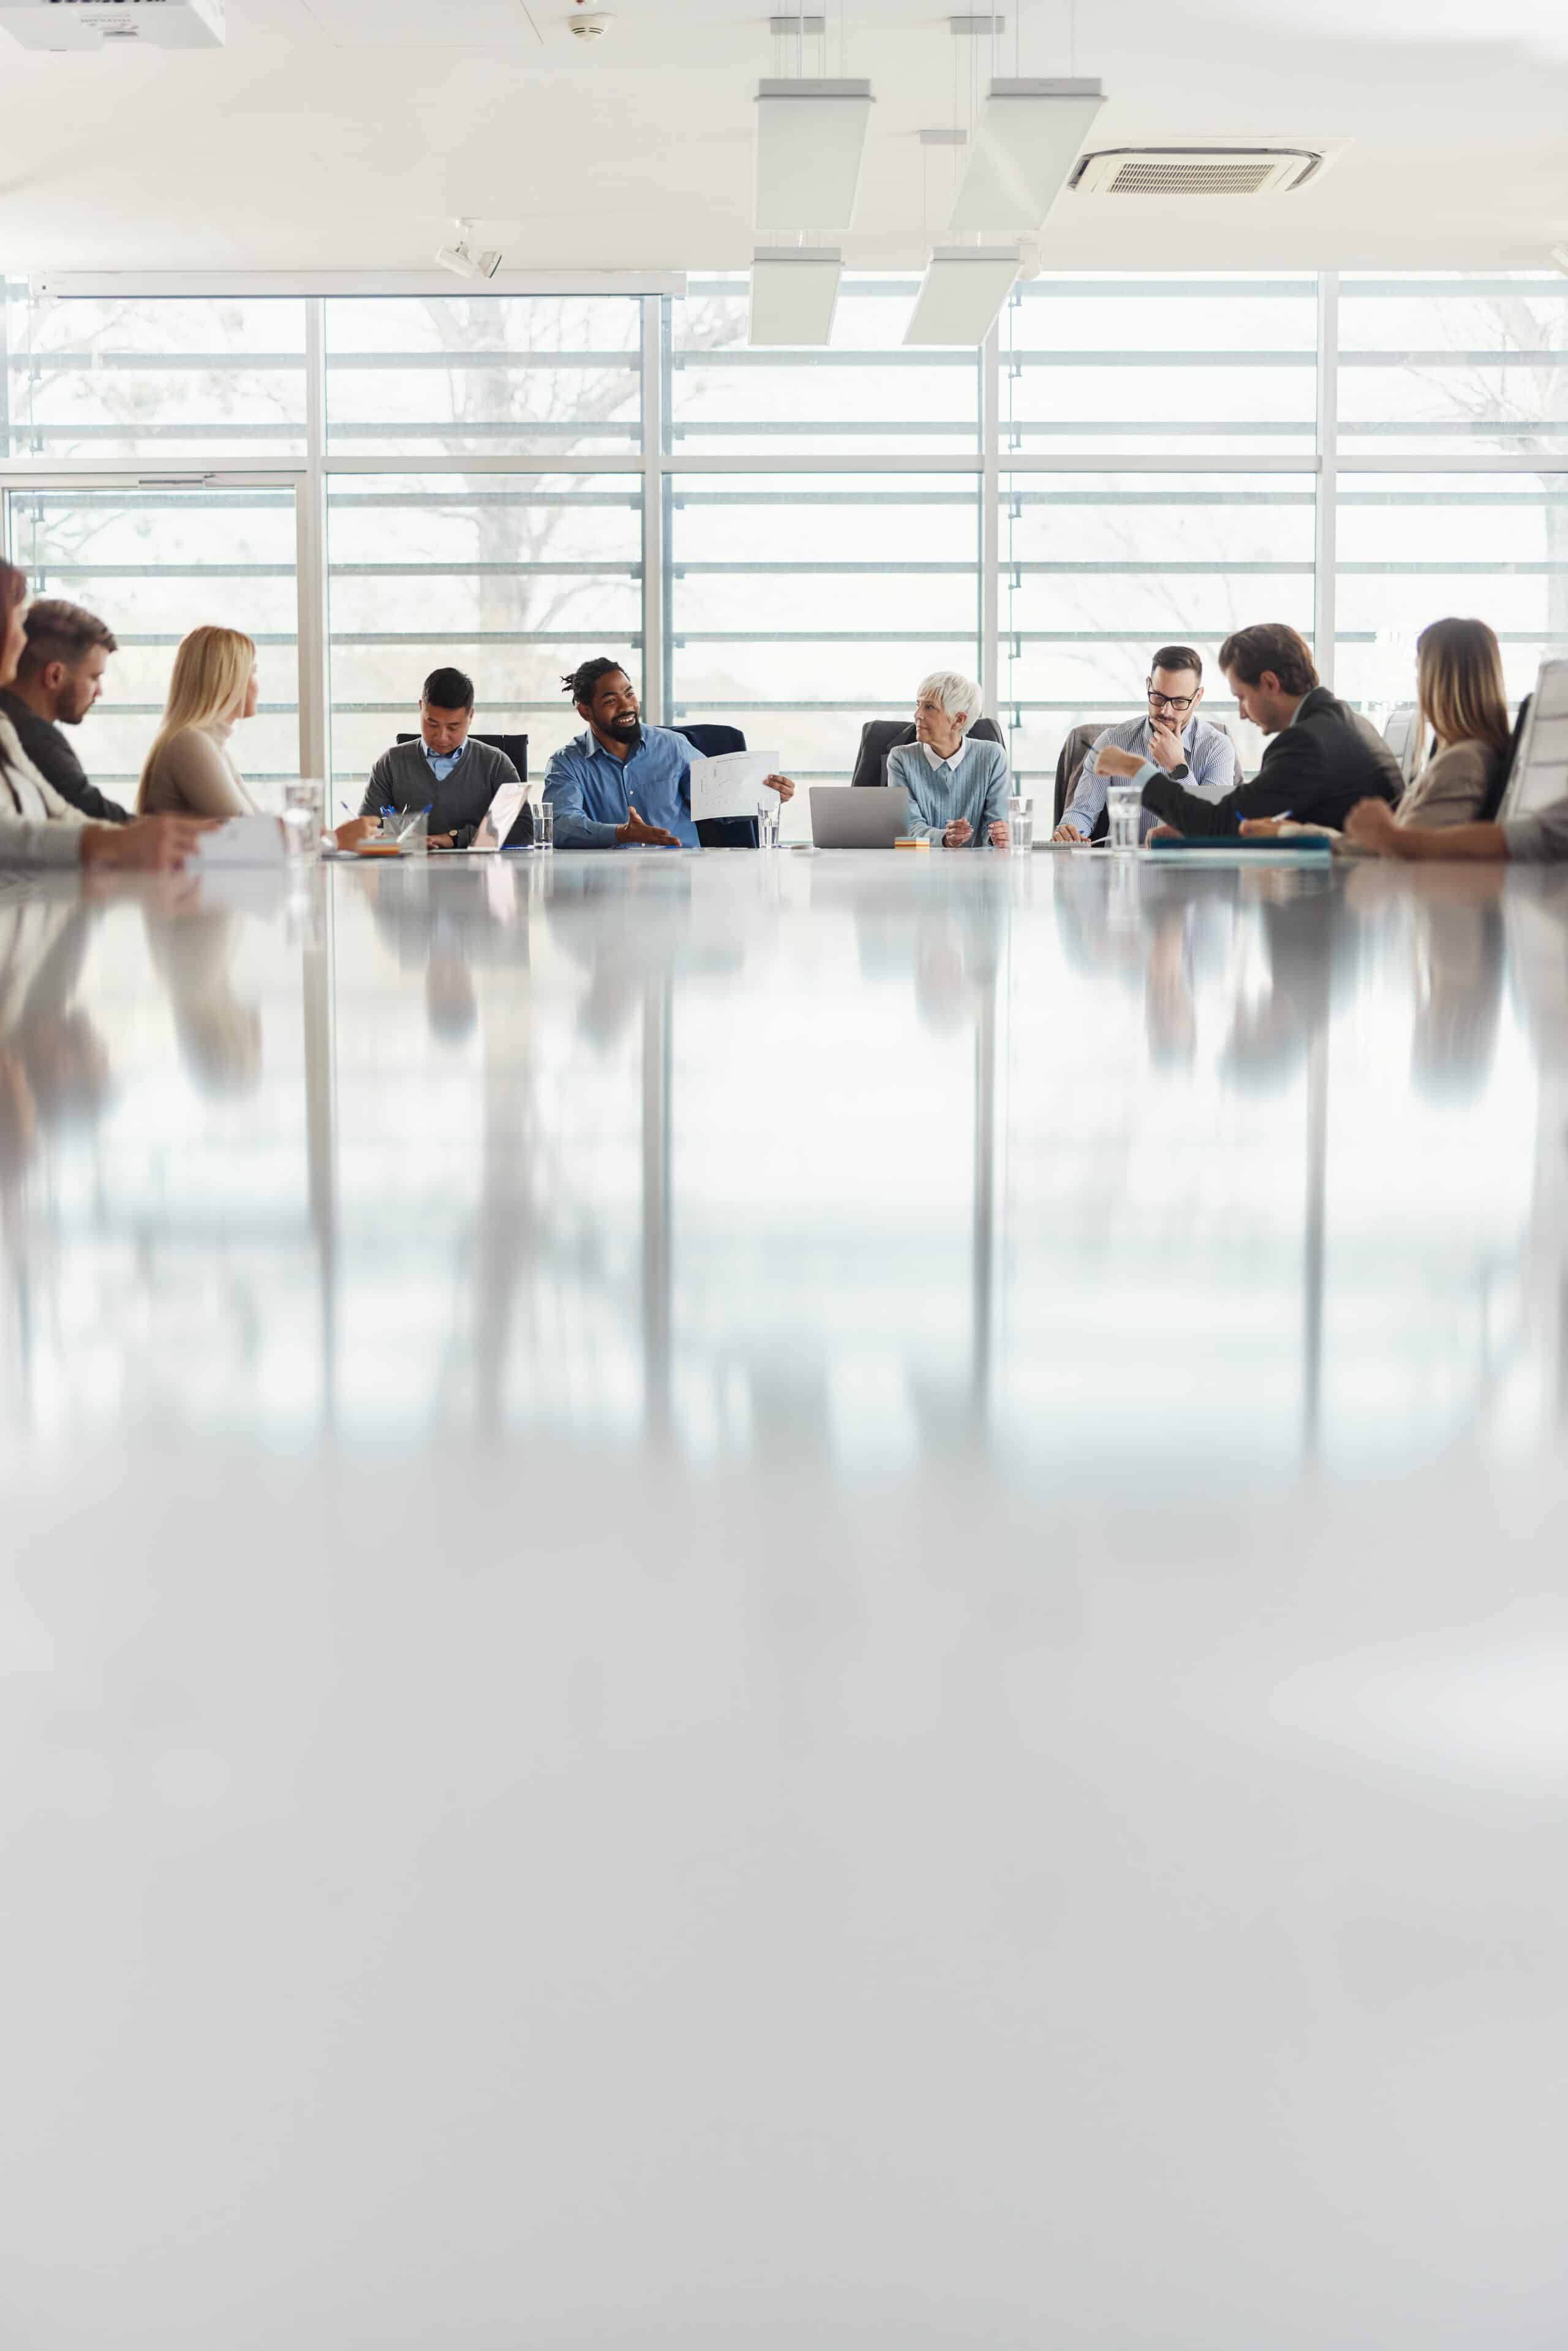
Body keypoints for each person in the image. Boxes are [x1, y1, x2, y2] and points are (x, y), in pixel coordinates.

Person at [1091, 622, 1402, 836]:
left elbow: (1220, 822)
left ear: (1269, 684)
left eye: (1242, 697)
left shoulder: (1306, 743)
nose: (1241, 713)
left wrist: (1136, 769)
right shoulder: (1342, 720)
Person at [0, 562, 208, 872]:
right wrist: (109, 842)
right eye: (17, 619)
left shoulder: (5, 726)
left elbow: (64, 814)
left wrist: (166, 838)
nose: (21, 638)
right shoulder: (31, 732)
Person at [1246, 617, 1513, 850]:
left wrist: (1288, 832)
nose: (1418, 682)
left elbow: (1396, 851)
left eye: (1421, 671)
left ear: (1439, 680)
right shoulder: (1468, 756)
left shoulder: (1462, 762)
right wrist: (1289, 831)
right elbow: (1388, 845)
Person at [543, 659, 794, 849]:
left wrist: (765, 795)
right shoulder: (566, 763)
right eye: (611, 701)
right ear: (585, 711)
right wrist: (621, 833)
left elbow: (721, 802)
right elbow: (560, 824)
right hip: (609, 882)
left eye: (629, 694)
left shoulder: (674, 746)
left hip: (683, 875)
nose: (626, 706)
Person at [1053, 645, 1237, 842]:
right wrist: (1069, 831)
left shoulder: (1217, 748)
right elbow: (1082, 812)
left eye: (1180, 702)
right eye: (1159, 697)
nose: (1166, 711)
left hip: (1187, 870)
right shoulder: (1112, 741)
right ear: (1149, 685)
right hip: (1123, 865)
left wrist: (1179, 767)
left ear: (1197, 698)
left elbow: (1211, 829)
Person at [359, 667, 522, 850]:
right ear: (421, 708)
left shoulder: (496, 763)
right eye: (432, 724)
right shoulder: (391, 763)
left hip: (478, 874)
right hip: (409, 873)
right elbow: (365, 832)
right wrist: (393, 839)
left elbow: (523, 831)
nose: (442, 737)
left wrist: (455, 838)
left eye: (453, 727)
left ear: (471, 716)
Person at [0, 598, 131, 823]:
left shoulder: (14, 725)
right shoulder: (37, 737)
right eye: (94, 677)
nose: (99, 692)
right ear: (55, 676)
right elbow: (94, 813)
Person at [138, 625, 260, 818]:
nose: (257, 684)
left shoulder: (209, 744)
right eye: (253, 673)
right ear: (230, 681)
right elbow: (246, 829)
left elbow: (260, 827)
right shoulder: (189, 743)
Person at [888, 672, 1012, 849]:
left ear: (959, 720)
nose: (917, 715)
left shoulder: (992, 756)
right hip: (918, 867)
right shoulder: (901, 758)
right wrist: (944, 838)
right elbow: (907, 828)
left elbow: (998, 823)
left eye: (929, 707)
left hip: (978, 869)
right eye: (918, 705)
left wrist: (999, 836)